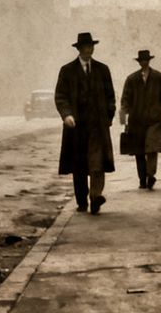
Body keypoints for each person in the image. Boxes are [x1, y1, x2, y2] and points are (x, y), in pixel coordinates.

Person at [55, 32, 116, 214]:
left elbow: (110, 97)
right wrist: (66, 115)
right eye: (86, 47)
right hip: (76, 127)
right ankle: (82, 202)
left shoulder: (102, 70)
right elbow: (60, 96)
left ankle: (95, 197)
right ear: (79, 49)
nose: (89, 50)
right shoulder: (67, 71)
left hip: (97, 126)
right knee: (79, 165)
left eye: (91, 47)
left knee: (97, 163)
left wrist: (108, 117)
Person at [119, 49, 161, 190]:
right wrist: (125, 113)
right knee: (139, 151)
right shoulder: (132, 79)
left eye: (146, 60)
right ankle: (142, 179)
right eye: (142, 60)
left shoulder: (159, 77)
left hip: (154, 120)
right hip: (137, 120)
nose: (144, 63)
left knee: (152, 148)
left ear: (149, 61)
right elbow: (125, 98)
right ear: (139, 62)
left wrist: (160, 111)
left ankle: (150, 175)